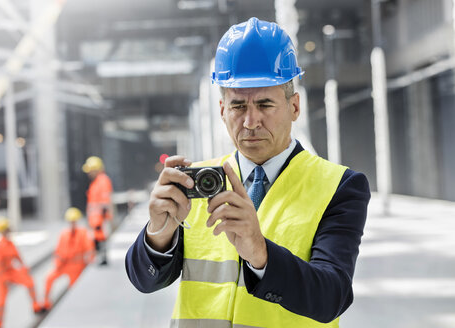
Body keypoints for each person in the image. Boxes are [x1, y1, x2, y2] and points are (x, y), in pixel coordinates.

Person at [125, 17, 370, 328]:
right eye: (238, 106)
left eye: (265, 104)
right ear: (222, 110)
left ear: (295, 107)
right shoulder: (194, 183)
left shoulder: (339, 187)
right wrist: (158, 234)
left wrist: (260, 253)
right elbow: (145, 281)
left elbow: (331, 297)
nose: (251, 121)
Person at [41, 207, 94, 311]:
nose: (72, 224)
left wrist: (89, 261)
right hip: (63, 264)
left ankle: (76, 306)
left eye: (74, 221)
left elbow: (89, 248)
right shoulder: (64, 234)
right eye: (70, 222)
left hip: (76, 265)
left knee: (74, 288)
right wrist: (57, 264)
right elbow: (58, 250)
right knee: (49, 278)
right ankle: (46, 303)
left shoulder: (82, 233)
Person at [0, 217, 41, 328]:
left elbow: (17, 256)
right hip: (1, 275)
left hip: (11, 270)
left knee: (30, 283)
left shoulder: (10, 243)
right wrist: (3, 279)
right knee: (0, 301)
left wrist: (24, 267)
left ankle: (35, 306)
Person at [82, 156, 113, 266]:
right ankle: (101, 257)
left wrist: (103, 217)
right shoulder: (96, 182)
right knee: (97, 239)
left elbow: (104, 201)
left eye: (90, 170)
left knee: (101, 239)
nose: (89, 173)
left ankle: (103, 258)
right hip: (96, 219)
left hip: (100, 219)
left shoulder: (102, 181)